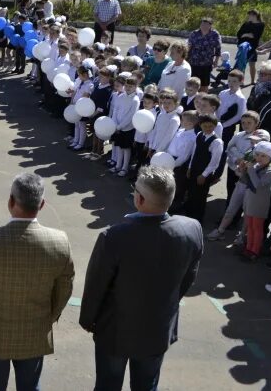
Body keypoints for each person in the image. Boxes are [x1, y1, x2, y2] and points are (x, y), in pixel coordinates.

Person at [80, 165, 203, 391]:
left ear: (140, 199)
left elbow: (96, 286)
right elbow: (188, 278)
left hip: (116, 332)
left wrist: (88, 320)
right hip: (158, 330)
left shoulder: (114, 237)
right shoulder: (192, 229)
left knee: (108, 384)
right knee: (146, 386)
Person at [0, 172, 74, 391]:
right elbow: (65, 288)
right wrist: (49, 316)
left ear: (11, 201)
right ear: (42, 204)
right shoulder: (59, 242)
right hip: (35, 331)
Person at [186, 18, 222, 92]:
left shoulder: (214, 34)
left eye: (206, 24)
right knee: (192, 83)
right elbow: (189, 46)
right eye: (202, 24)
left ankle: (203, 100)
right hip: (193, 62)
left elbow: (218, 47)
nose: (203, 26)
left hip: (206, 63)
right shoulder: (194, 33)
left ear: (210, 25)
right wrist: (185, 58)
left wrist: (216, 60)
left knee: (204, 85)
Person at [237, 9, 265, 85]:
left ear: (255, 15)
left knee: (252, 64)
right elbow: (239, 34)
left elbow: (255, 36)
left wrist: (245, 35)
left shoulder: (261, 25)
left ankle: (252, 81)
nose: (249, 16)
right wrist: (246, 35)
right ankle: (241, 81)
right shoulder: (246, 24)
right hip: (242, 46)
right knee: (242, 64)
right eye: (248, 15)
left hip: (252, 47)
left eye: (250, 15)